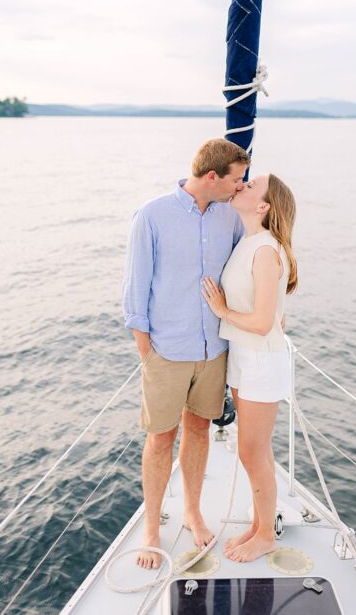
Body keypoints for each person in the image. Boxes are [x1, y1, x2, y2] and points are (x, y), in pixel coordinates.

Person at [122, 138, 249, 569]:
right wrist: (146, 348)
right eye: (236, 179)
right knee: (160, 438)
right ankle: (152, 528)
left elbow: (242, 270)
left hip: (214, 348)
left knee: (197, 430)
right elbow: (135, 287)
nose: (240, 187)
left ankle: (193, 510)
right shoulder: (152, 215)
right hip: (167, 349)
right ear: (212, 177)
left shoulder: (229, 217)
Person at [201, 172, 298, 562]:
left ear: (264, 207)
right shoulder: (251, 242)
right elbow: (275, 314)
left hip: (260, 359)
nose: (241, 186)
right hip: (245, 356)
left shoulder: (263, 251)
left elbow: (263, 323)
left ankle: (266, 537)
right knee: (254, 450)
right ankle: (259, 525)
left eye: (251, 185)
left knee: (252, 452)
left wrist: (222, 310)